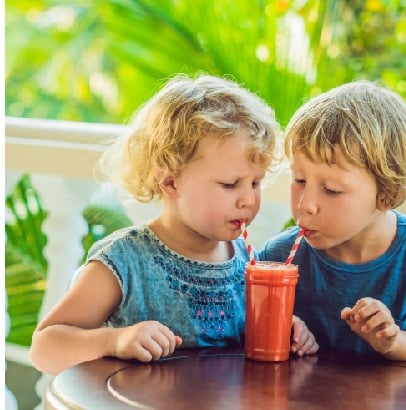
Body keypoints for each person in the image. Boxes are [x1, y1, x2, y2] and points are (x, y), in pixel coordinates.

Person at [30, 73, 318, 376]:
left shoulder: (247, 262)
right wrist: (114, 340)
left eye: (256, 183)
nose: (248, 199)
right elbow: (44, 348)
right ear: (170, 181)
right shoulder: (125, 262)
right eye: (230, 184)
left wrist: (288, 331)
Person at [258, 80, 406, 365]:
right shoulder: (279, 257)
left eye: (331, 190)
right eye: (299, 180)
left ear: (385, 193)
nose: (305, 204)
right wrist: (286, 329)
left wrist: (394, 341)